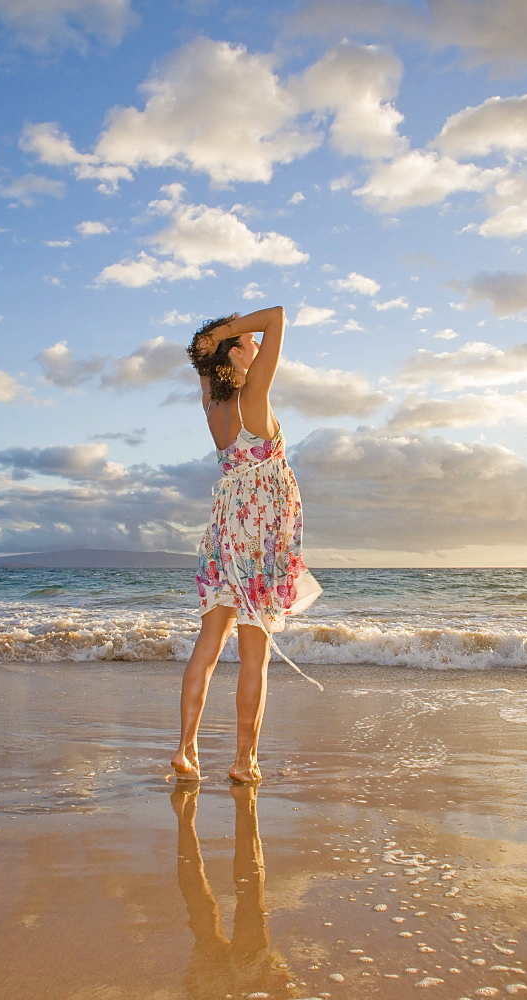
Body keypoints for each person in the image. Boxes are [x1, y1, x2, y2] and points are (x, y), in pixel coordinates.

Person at [171, 306, 322, 784]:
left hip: (225, 530)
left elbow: (201, 353)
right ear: (236, 353)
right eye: (247, 343)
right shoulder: (252, 394)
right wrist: (232, 330)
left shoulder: (212, 404)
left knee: (209, 644)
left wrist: (218, 336)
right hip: (259, 537)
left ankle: (185, 750)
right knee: (254, 656)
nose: (257, 344)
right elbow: (277, 316)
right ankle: (244, 761)